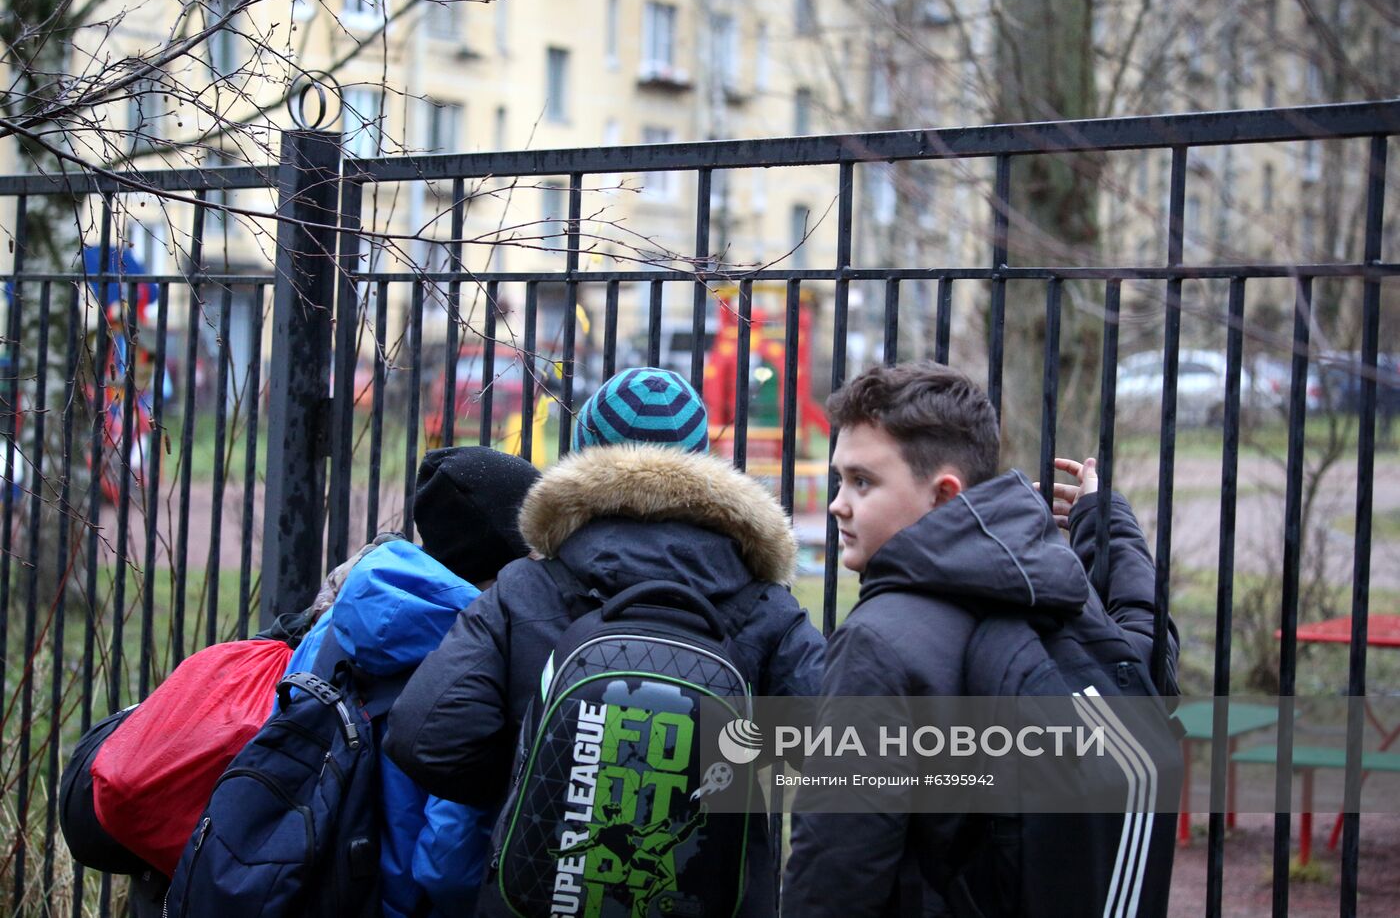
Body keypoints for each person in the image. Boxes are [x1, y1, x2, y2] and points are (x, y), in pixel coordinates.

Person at [385, 366, 826, 917]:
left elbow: (424, 736)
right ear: (703, 466)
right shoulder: (766, 609)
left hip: (546, 892)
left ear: (583, 459)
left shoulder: (525, 589)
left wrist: (546, 772)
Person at [782, 361, 1178, 918]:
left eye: (862, 481)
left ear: (945, 494)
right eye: (840, 480)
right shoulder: (1055, 589)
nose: (837, 504)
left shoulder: (879, 643)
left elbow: (835, 873)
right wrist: (1107, 524)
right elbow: (1145, 661)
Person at [285, 445, 542, 918]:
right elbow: (450, 865)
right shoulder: (475, 658)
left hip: (305, 877)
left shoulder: (336, 616)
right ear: (505, 555)